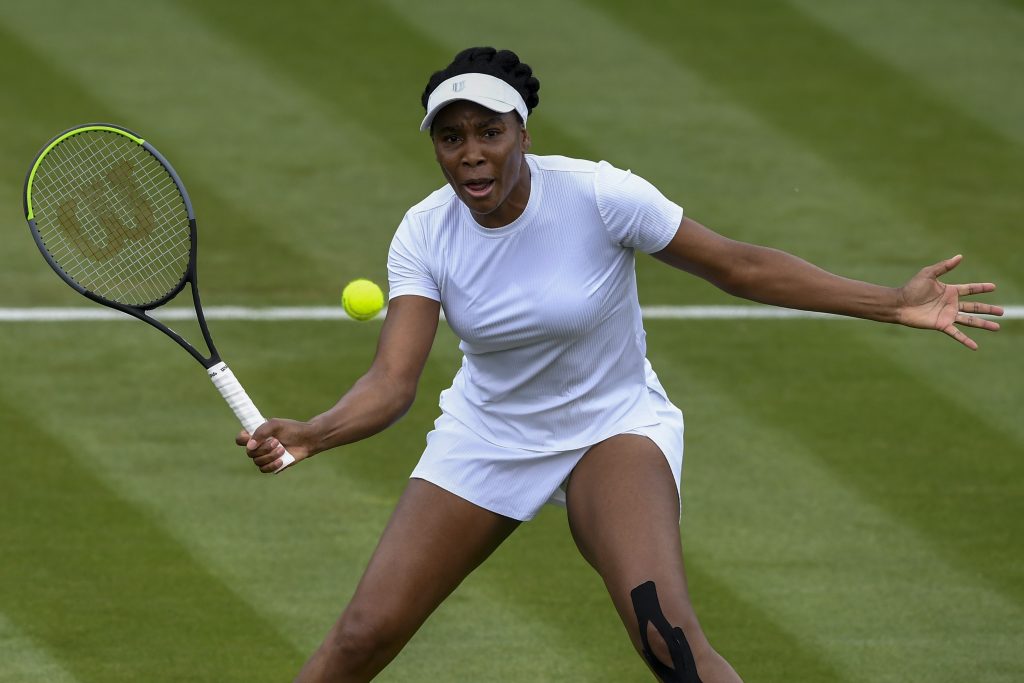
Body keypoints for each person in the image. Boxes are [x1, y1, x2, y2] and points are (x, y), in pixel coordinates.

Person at [237, 47, 1003, 683]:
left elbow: (739, 266)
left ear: (522, 134)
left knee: (664, 632)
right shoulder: (425, 231)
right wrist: (314, 432)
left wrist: (891, 303)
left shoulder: (601, 195)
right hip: (490, 435)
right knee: (362, 635)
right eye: (451, 137)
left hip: (613, 425)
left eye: (489, 132)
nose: (471, 153)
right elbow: (392, 381)